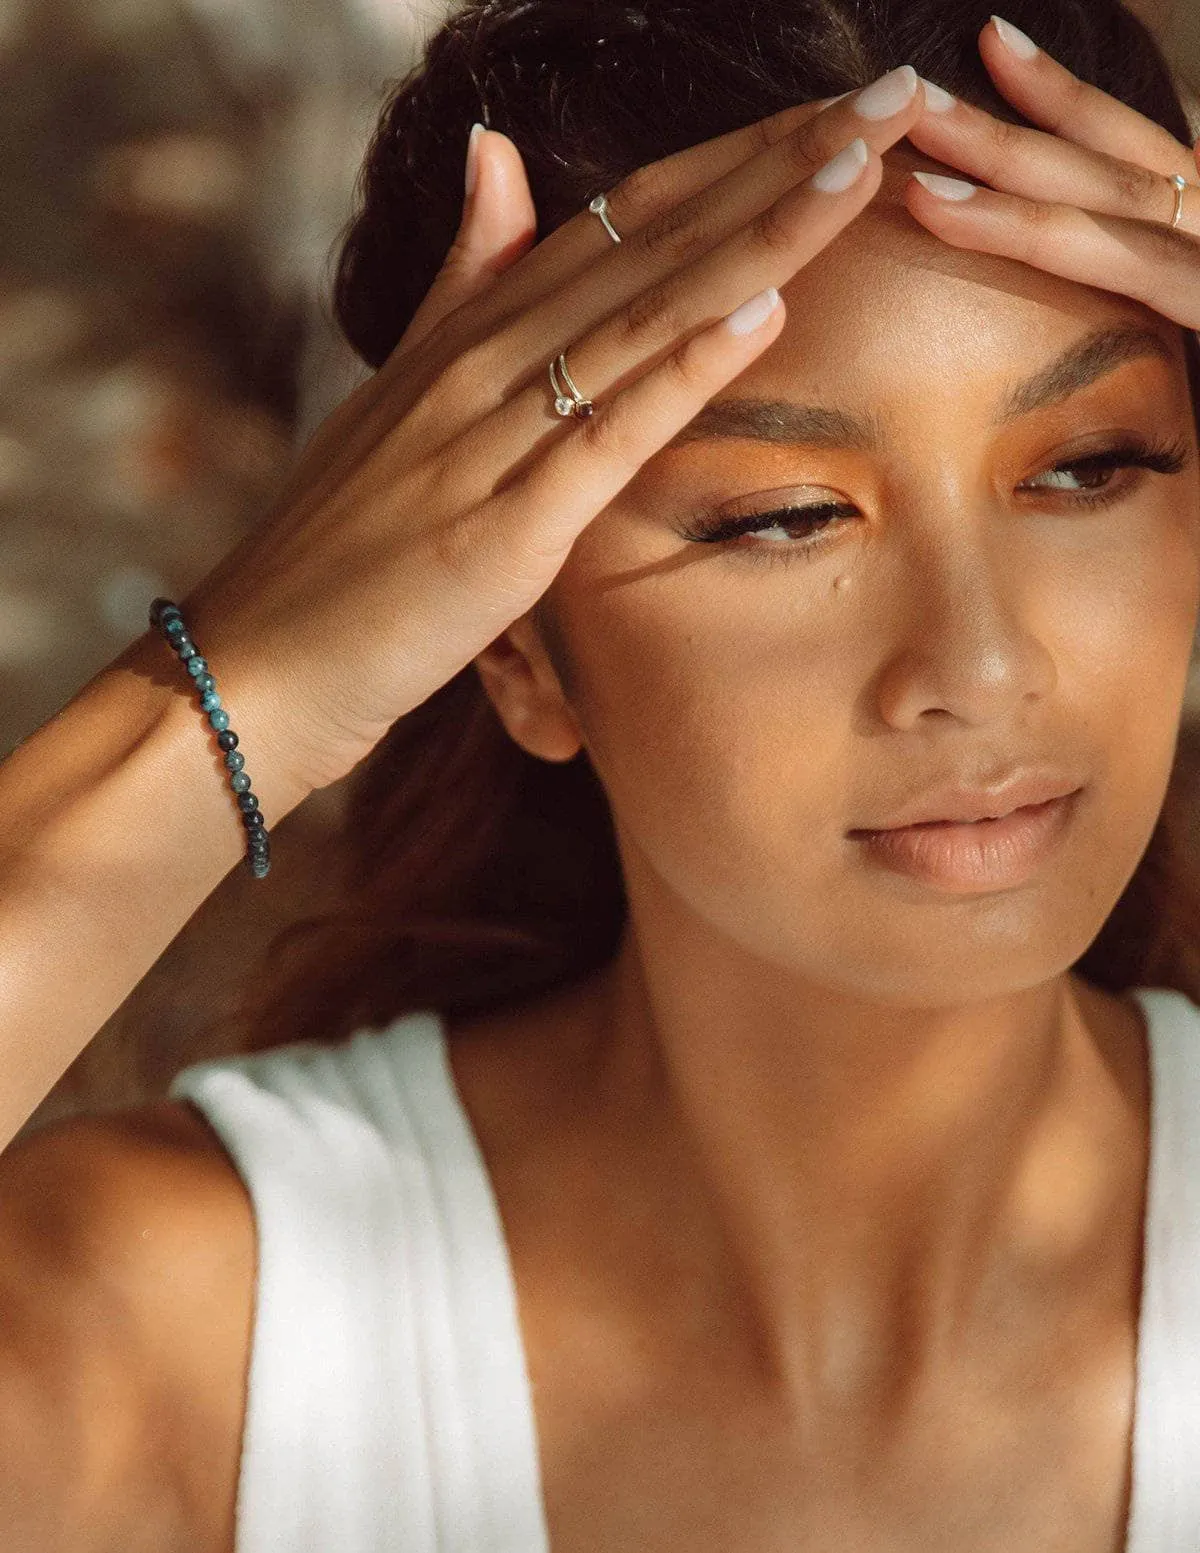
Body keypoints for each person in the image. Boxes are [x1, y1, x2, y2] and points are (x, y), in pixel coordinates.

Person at [2, 0, 1200, 1547]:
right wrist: (245, 692)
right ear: (510, 647)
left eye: (1090, 466)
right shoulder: (172, 1340)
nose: (978, 669)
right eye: (781, 515)